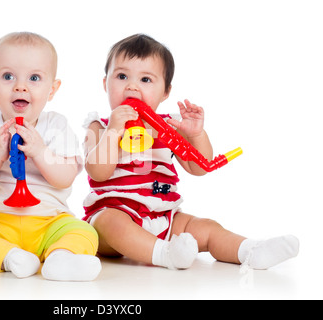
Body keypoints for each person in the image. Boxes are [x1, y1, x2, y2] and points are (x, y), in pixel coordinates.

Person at [83, 34, 299, 270]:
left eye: (146, 79)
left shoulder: (169, 126)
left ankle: (250, 250)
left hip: (165, 217)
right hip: (114, 217)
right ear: (105, 84)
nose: (132, 86)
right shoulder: (100, 126)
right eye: (122, 76)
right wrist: (114, 131)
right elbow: (98, 173)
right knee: (110, 223)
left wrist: (195, 134)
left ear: (165, 92)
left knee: (206, 227)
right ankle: (166, 256)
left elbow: (199, 167)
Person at [0, 32, 101, 281]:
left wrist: (40, 151)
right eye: (8, 76)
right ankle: (10, 257)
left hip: (49, 222)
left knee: (85, 231)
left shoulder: (56, 125)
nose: (20, 86)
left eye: (34, 78)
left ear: (52, 89)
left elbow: (65, 178)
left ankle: (60, 258)